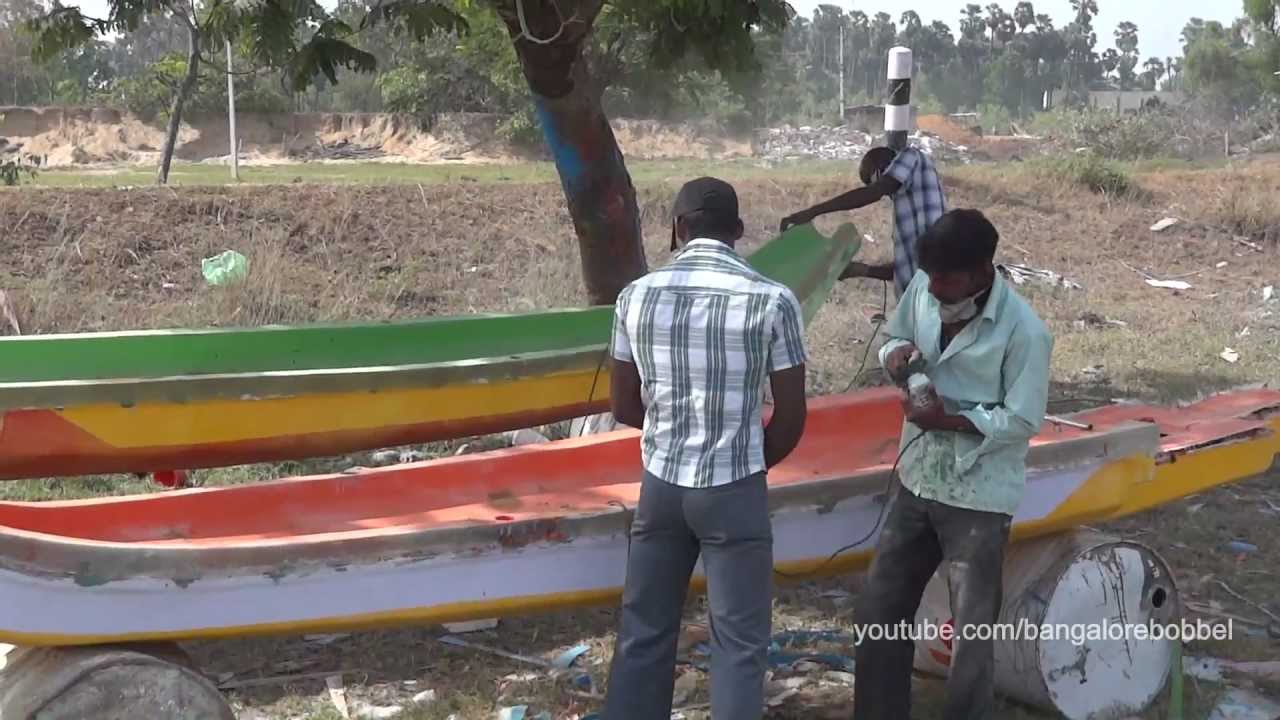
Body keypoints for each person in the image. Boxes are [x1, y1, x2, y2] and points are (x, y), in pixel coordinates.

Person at [603, 177, 810, 720]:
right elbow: (789, 417)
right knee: (739, 643)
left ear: (678, 228)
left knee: (644, 630)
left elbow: (624, 405)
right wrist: (744, 460)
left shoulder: (636, 296)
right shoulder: (773, 300)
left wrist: (673, 435)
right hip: (734, 486)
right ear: (739, 232)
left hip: (663, 486)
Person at [852, 209, 1052, 720]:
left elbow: (1023, 419)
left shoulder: (1025, 332)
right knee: (880, 611)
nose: (936, 288)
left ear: (984, 270)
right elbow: (895, 337)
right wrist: (896, 357)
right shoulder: (925, 284)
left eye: (947, 279)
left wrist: (952, 420)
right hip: (917, 477)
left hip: (977, 495)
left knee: (972, 634)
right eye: (931, 277)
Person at [780, 145, 946, 300]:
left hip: (931, 299)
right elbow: (906, 268)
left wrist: (813, 212)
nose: (885, 194)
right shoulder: (910, 203)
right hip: (917, 303)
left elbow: (874, 192)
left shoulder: (910, 156)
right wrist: (862, 270)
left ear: (882, 170)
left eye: (873, 180)